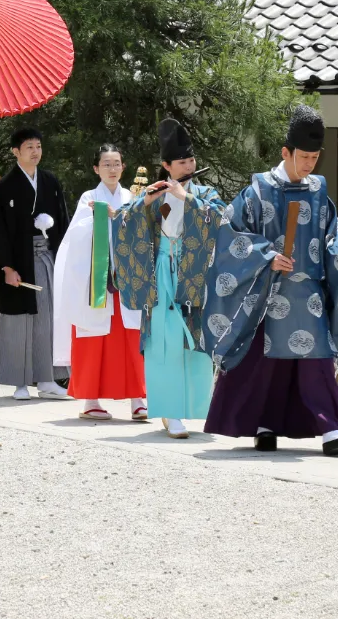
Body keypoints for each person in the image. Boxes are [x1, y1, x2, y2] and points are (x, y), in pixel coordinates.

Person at [203, 104, 338, 456]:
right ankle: (265, 425)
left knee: (316, 362)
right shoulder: (259, 190)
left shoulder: (318, 190)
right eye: (303, 156)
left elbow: (331, 233)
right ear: (285, 152)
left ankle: (334, 431)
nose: (309, 164)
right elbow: (231, 235)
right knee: (263, 367)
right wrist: (265, 255)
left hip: (306, 290)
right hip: (265, 291)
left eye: (314, 157)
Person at [115, 119, 224, 438]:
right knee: (165, 341)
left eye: (191, 161)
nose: (189, 166)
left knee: (197, 343)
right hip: (163, 270)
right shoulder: (154, 194)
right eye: (182, 162)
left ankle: (194, 409)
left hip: (196, 275)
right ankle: (170, 411)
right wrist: (143, 204)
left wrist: (188, 198)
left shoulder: (205, 192)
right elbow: (122, 224)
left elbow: (220, 219)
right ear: (166, 166)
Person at [53, 144, 147, 422]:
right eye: (106, 164)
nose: (112, 169)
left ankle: (138, 399)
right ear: (96, 168)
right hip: (97, 280)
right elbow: (77, 237)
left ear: (123, 167)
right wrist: (99, 217)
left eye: (116, 163)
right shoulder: (88, 198)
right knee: (94, 339)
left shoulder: (132, 196)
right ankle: (90, 400)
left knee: (132, 339)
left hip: (127, 278)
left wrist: (121, 217)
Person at [0, 127, 71, 401]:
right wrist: (7, 267)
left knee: (48, 318)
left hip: (46, 257)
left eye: (38, 146)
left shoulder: (50, 181)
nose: (35, 152)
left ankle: (48, 379)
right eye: (29, 147)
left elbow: (62, 220)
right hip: (18, 262)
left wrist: (64, 259)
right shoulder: (4, 187)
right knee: (17, 322)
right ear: (15, 152)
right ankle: (19, 382)